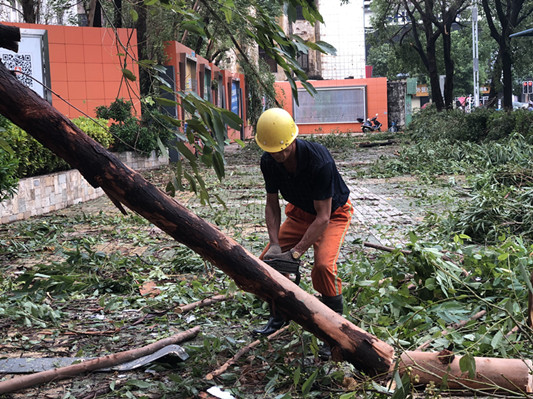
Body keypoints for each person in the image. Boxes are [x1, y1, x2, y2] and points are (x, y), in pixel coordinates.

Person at [252, 108, 353, 357]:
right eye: (273, 151)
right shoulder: (268, 161)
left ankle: (335, 330)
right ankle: (279, 314)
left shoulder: (320, 161)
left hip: (332, 214)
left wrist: (296, 254)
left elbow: (323, 217)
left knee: (323, 266)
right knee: (269, 263)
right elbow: (272, 204)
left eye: (283, 150)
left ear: (293, 139)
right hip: (299, 213)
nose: (279, 156)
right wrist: (275, 244)